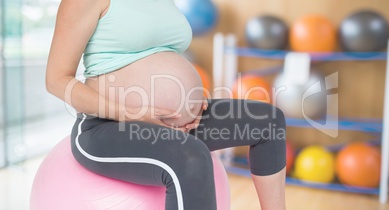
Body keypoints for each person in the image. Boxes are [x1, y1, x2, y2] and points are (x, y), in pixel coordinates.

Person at [45, 0, 287, 209]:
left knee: (268, 122)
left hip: (174, 123)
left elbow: (161, 53)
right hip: (107, 125)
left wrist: (189, 98)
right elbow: (56, 80)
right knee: (191, 157)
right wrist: (133, 113)